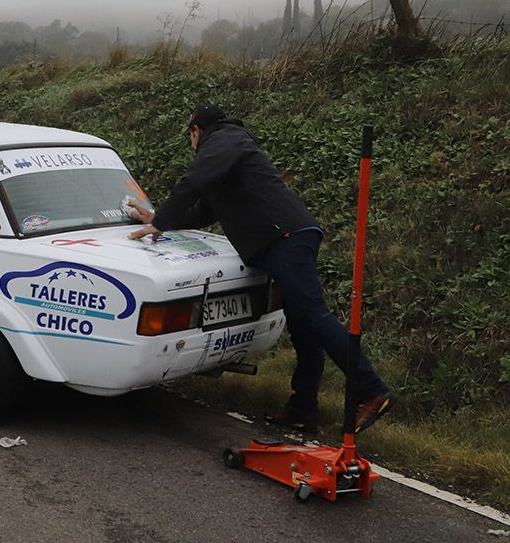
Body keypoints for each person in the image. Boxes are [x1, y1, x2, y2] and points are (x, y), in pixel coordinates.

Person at [126, 104, 393, 435]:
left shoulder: (225, 140)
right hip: (288, 237)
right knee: (305, 327)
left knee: (314, 317)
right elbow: (203, 210)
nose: (192, 145)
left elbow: (194, 181)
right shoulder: (228, 153)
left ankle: (371, 389)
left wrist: (161, 221)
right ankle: (302, 410)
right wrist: (157, 220)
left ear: (196, 132)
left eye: (191, 138)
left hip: (284, 238)